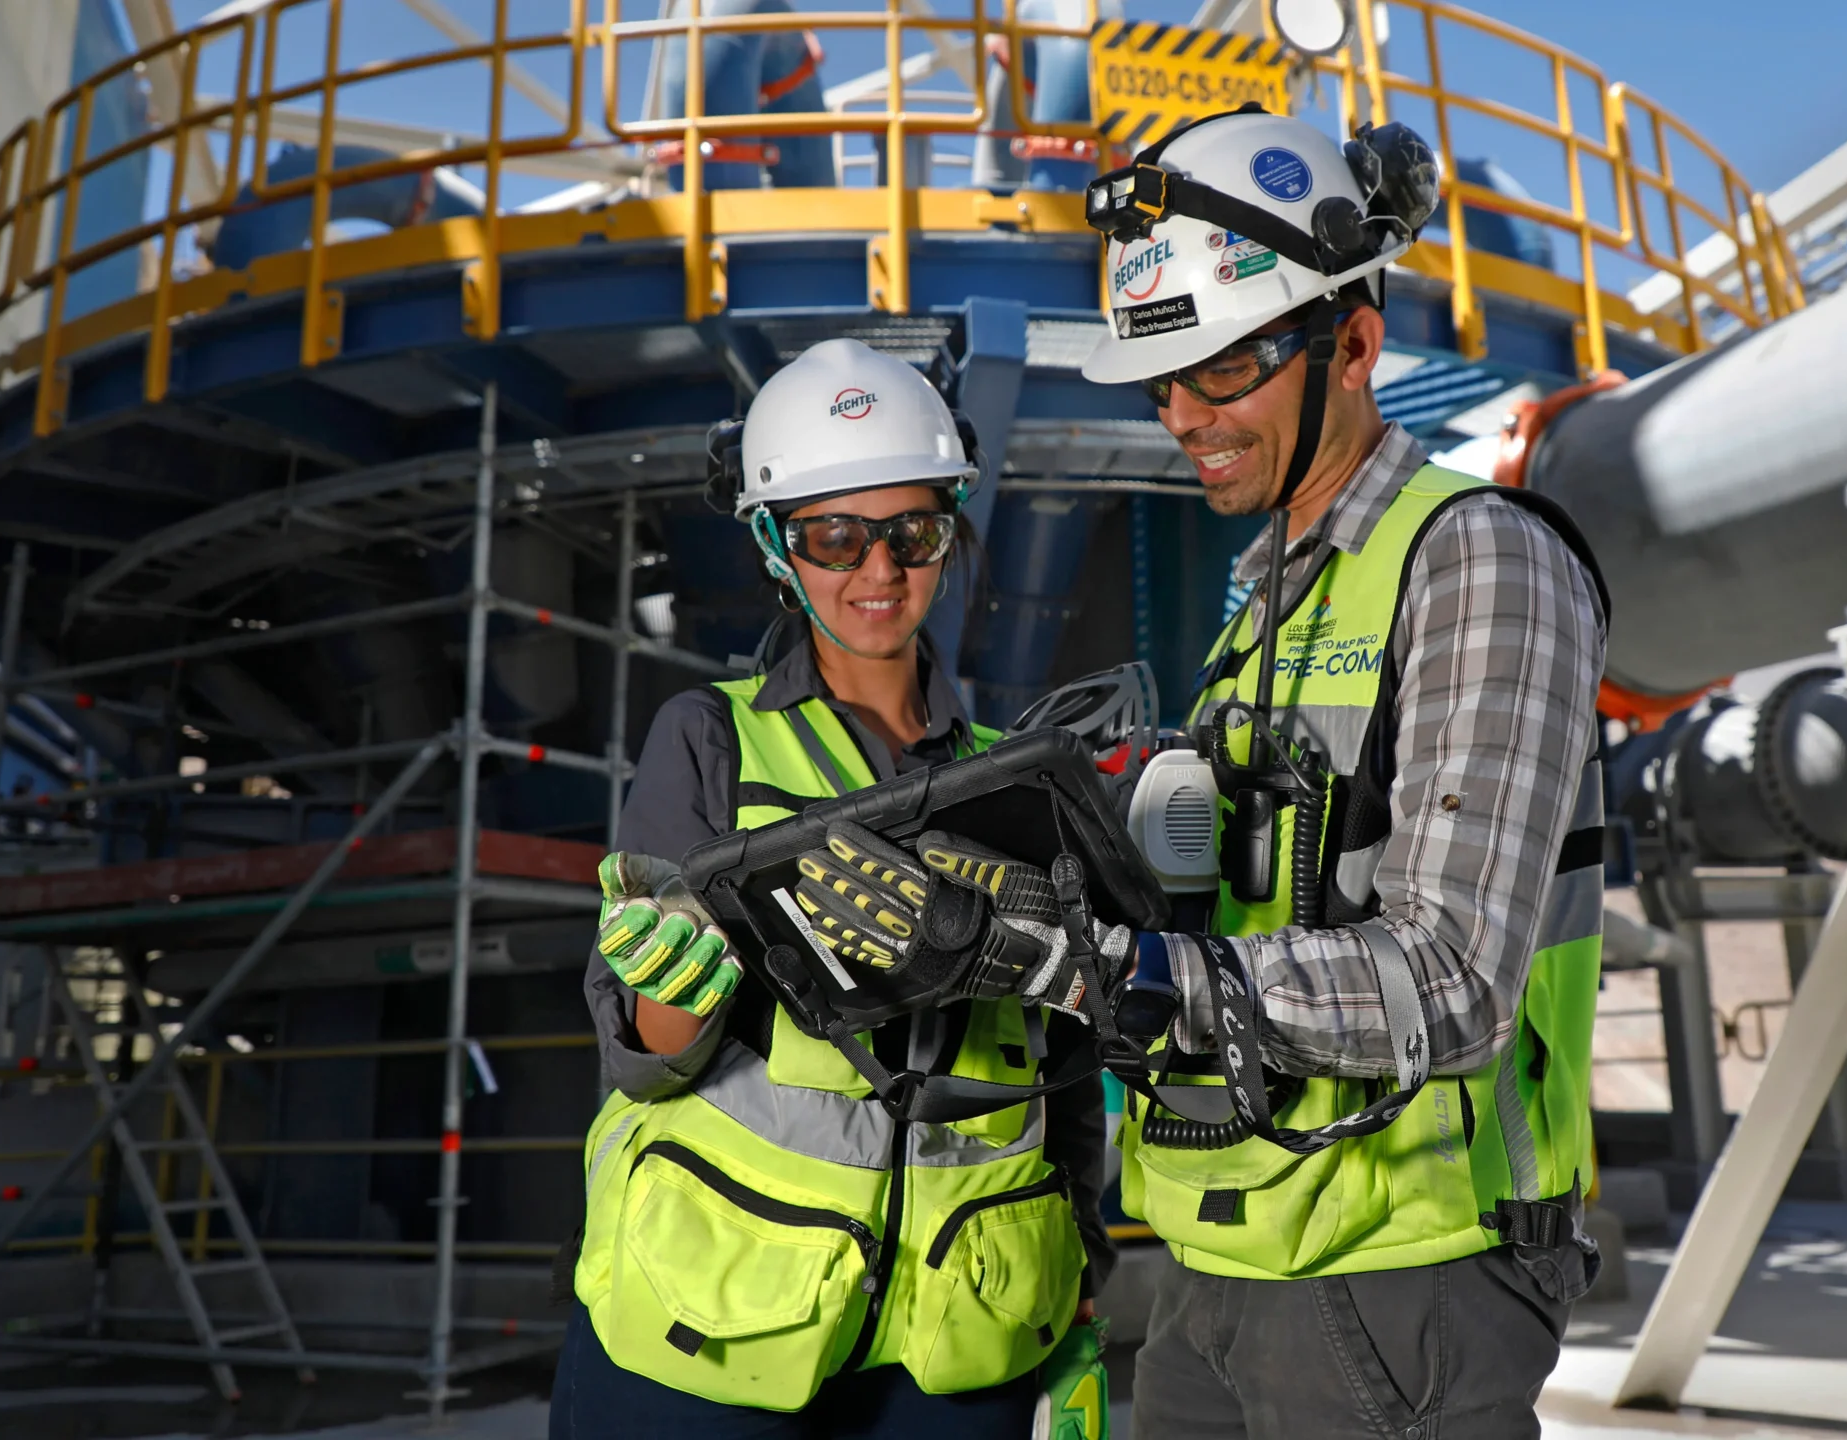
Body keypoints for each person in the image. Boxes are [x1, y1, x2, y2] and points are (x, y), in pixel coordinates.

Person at [1079, 107, 1612, 1435]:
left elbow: (1455, 976)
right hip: (1220, 1255)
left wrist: (1131, 974)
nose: (1182, 418)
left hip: (1406, 1272)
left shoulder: (1474, 558)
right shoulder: (1256, 608)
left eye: (1219, 373)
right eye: (1162, 381)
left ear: (1356, 344)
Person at [553, 339, 1112, 1438]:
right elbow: (645, 1059)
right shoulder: (712, 740)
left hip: (961, 1329)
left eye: (910, 534)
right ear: (774, 544)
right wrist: (675, 992)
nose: (876, 572)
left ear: (947, 534)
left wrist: (1084, 1267)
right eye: (832, 537)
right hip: (716, 1316)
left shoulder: (1021, 777)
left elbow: (1067, 1065)